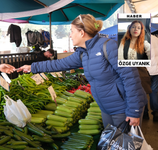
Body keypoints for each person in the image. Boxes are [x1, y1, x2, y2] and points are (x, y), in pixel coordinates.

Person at [18, 14, 147, 128]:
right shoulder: (83, 53)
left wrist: (134, 111)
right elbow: (60, 64)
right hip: (105, 109)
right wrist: (32, 67)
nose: (70, 35)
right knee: (112, 144)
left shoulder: (109, 46)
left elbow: (131, 78)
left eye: (72, 31)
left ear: (81, 32)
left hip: (122, 109)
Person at [146, 35, 158, 121]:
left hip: (144, 71)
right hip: (156, 71)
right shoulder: (156, 39)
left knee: (142, 92)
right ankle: (156, 113)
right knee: (153, 91)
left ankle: (144, 114)